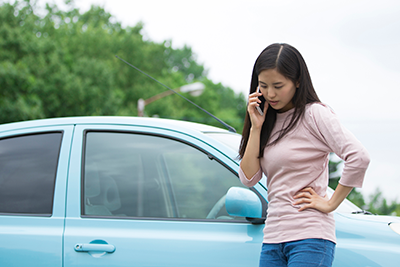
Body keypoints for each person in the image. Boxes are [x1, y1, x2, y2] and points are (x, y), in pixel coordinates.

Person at [238, 43, 370, 267]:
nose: (270, 94)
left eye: (278, 86)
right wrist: (256, 127)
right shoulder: (265, 120)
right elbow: (248, 178)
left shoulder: (315, 114)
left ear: (297, 81)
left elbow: (359, 156)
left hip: (310, 238)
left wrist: (330, 203)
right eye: (263, 86)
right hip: (272, 240)